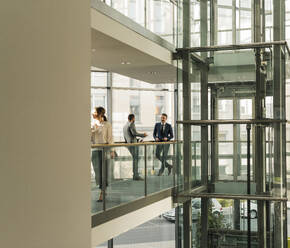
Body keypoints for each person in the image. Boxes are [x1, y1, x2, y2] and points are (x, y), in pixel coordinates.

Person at [91, 107, 113, 202]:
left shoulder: (107, 124)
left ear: (100, 114)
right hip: (95, 150)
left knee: (104, 172)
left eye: (94, 112)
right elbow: (90, 138)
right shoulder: (93, 124)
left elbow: (110, 138)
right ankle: (102, 190)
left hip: (104, 150)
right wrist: (93, 129)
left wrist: (111, 150)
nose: (93, 113)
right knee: (97, 173)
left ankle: (102, 192)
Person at [123, 114, 147, 180]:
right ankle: (136, 175)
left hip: (129, 144)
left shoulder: (125, 126)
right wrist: (143, 135)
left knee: (134, 159)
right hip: (133, 144)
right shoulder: (131, 124)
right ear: (133, 118)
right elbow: (134, 133)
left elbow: (127, 136)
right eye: (134, 118)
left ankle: (135, 174)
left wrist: (137, 140)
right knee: (136, 159)